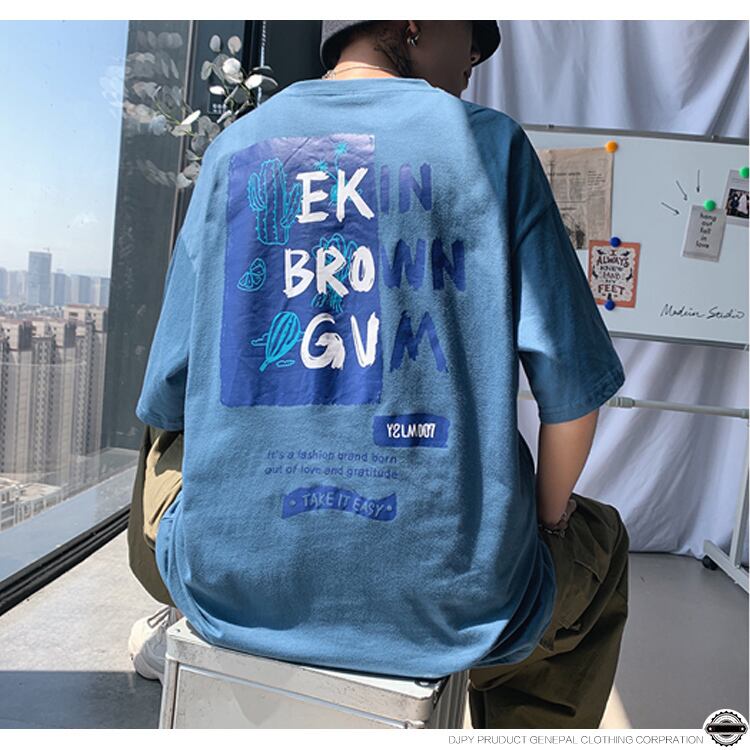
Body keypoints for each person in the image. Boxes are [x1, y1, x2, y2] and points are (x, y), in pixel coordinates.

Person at [127, 20, 630, 728]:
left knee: (163, 443)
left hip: (228, 588)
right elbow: (572, 397)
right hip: (453, 604)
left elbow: (166, 392)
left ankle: (174, 609)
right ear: (413, 21)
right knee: (601, 549)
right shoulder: (491, 145)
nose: (474, 63)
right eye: (472, 41)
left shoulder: (235, 149)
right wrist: (548, 527)